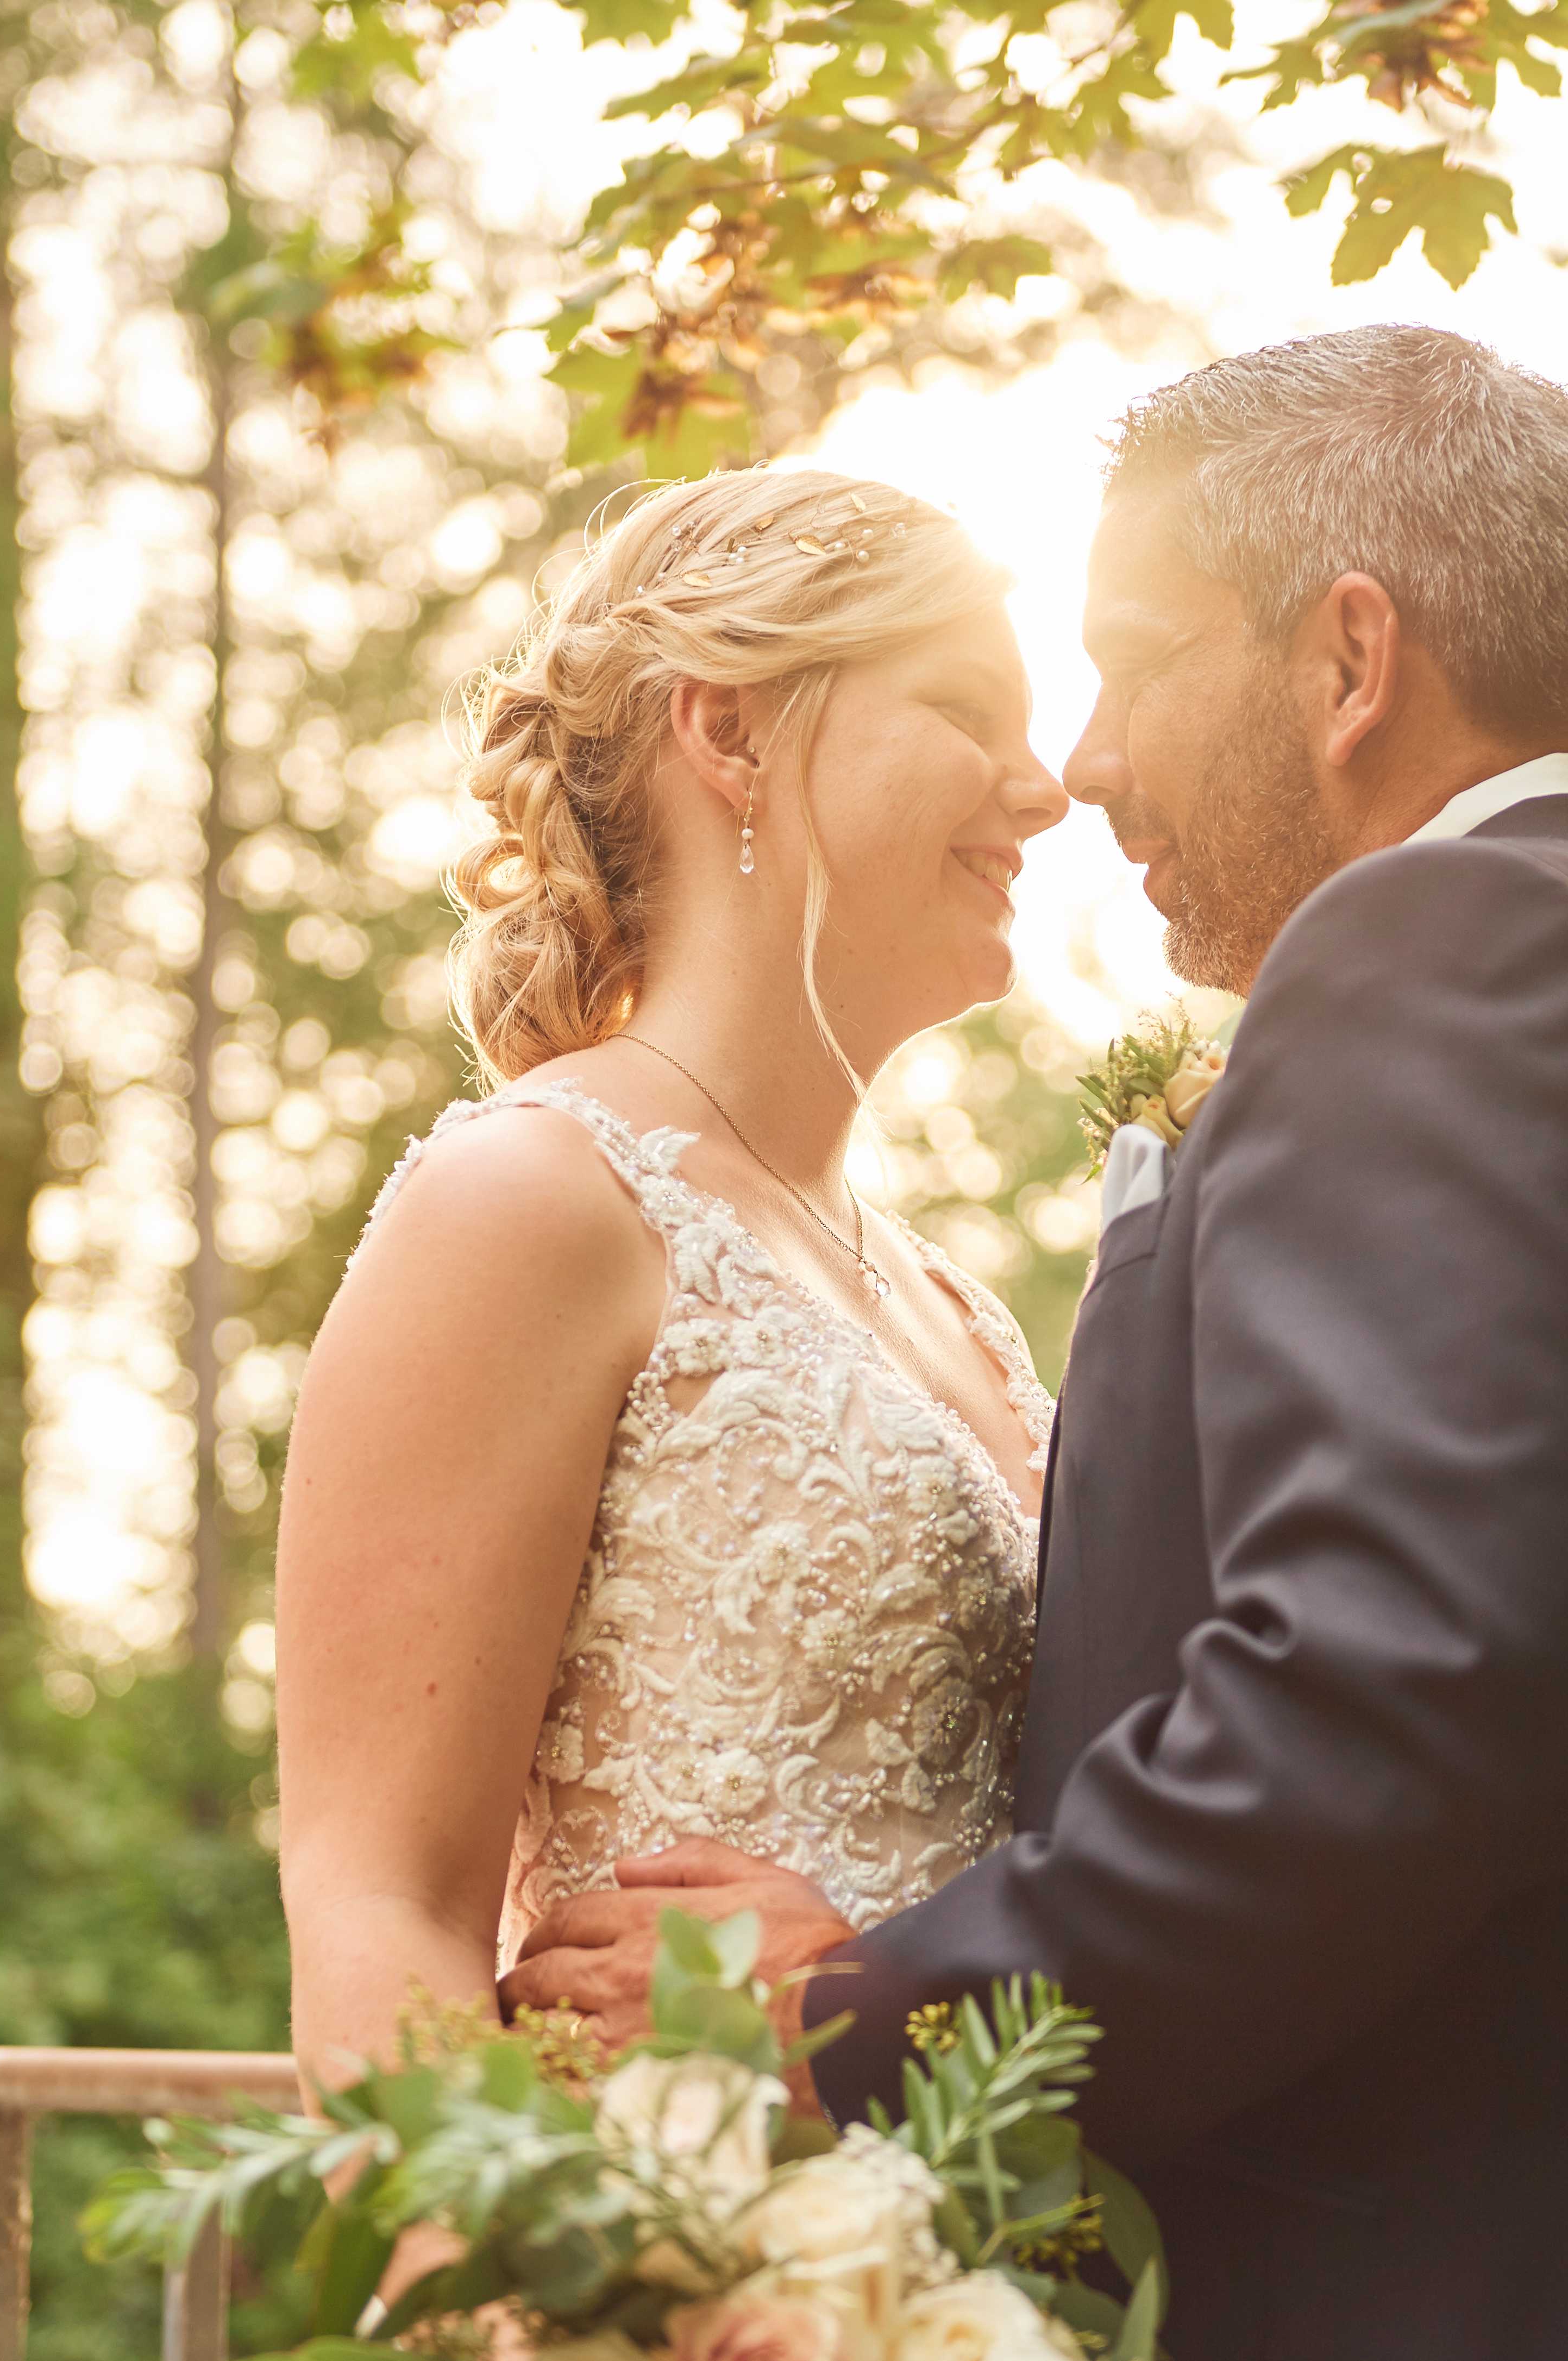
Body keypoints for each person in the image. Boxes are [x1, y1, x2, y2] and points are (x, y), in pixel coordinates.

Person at [504, 330, 1568, 2361]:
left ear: (1350, 654)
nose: (1085, 761)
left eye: (1128, 663)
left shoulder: (1456, 946)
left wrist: (862, 2006)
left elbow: (1395, 1696)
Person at [273, 463, 1067, 2123]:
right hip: (661, 2292)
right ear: (733, 733)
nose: (1042, 786)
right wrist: (512, 2337)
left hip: (1003, 2293)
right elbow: (382, 1911)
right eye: (969, 710)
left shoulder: (956, 1307)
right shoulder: (528, 1203)